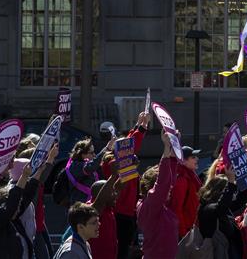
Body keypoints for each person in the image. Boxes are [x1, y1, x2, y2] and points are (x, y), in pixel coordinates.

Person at [0, 144, 58, 259]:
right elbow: (15, 199)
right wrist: (25, 176)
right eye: (15, 208)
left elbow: (27, 194)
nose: (18, 210)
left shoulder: (14, 220)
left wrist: (33, 173)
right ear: (4, 207)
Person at [108, 111, 148, 259]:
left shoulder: (117, 161)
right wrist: (142, 128)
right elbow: (130, 146)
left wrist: (138, 125)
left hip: (128, 213)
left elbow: (129, 144)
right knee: (122, 250)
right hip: (121, 214)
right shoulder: (113, 165)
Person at [137, 129, 178, 259]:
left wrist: (173, 149)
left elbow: (168, 179)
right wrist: (166, 148)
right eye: (168, 188)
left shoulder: (156, 205)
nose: (170, 189)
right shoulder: (150, 204)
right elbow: (163, 182)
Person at [198, 167, 240, 259]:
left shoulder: (219, 207)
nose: (235, 193)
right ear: (221, 192)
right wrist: (231, 184)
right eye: (232, 191)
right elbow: (221, 208)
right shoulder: (208, 208)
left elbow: (240, 201)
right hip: (219, 253)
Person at [67, 136, 116, 205]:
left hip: (88, 200)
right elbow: (91, 166)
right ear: (83, 154)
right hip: (80, 203)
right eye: (91, 152)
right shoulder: (75, 166)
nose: (94, 155)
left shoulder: (84, 162)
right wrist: (107, 148)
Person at [170, 145, 203, 239]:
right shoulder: (182, 180)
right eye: (193, 157)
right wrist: (183, 234)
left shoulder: (190, 175)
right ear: (183, 161)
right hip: (185, 231)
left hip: (192, 227)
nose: (197, 159)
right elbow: (176, 209)